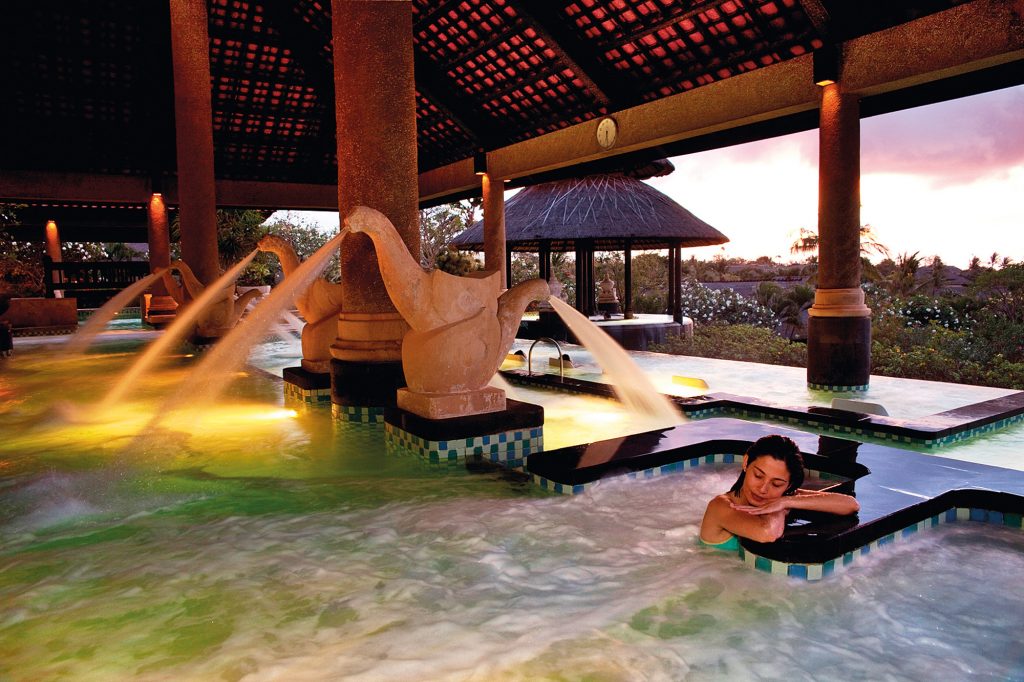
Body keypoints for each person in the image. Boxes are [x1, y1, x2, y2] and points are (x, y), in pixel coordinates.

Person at [699, 434, 859, 550]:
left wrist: (786, 501)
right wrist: (780, 507)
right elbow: (767, 533)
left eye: (776, 484)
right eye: (758, 476)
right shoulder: (720, 506)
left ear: (788, 486)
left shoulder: (784, 497)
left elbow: (850, 505)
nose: (763, 489)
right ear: (746, 463)